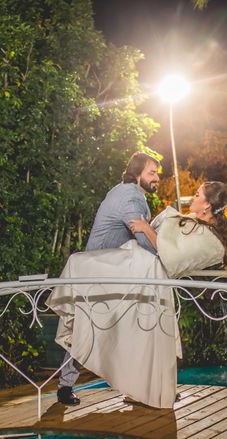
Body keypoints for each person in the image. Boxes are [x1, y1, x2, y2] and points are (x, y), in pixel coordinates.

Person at [47, 181, 227, 409]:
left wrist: (146, 228)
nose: (191, 197)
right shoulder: (196, 224)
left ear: (206, 206)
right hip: (137, 267)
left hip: (146, 277)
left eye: (197, 195)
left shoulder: (210, 240)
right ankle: (70, 383)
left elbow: (173, 259)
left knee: (137, 335)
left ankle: (149, 389)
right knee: (90, 296)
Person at [55, 151, 161, 406]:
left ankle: (138, 387)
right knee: (87, 330)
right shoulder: (131, 198)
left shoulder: (125, 191)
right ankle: (65, 386)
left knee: (122, 327)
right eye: (152, 173)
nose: (157, 178)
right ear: (137, 174)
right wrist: (171, 251)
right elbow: (147, 244)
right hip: (99, 274)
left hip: (110, 272)